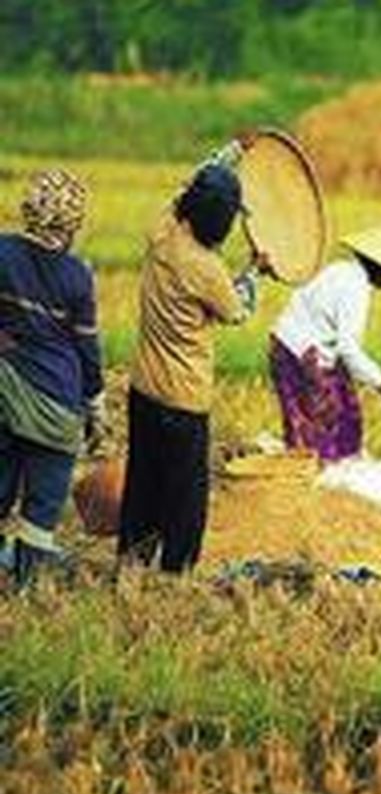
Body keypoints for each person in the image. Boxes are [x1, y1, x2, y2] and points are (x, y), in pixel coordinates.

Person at [118, 160, 261, 573]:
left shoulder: (162, 232)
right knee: (185, 497)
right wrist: (256, 270)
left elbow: (188, 184)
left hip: (143, 389)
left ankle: (132, 564)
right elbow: (238, 311)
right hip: (184, 401)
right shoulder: (207, 269)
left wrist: (233, 151)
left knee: (143, 482)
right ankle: (175, 576)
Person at [0, 169, 103, 585]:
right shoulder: (77, 275)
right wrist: (95, 403)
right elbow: (88, 351)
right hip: (58, 407)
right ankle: (25, 586)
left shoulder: (3, 253)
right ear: (72, 224)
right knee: (41, 509)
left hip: (6, 396)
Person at [269, 224, 381, 463]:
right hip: (300, 353)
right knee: (320, 428)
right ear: (379, 267)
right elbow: (348, 349)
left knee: (343, 414)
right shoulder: (356, 288)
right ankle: (320, 479)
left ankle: (331, 469)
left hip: (288, 345)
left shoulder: (339, 270)